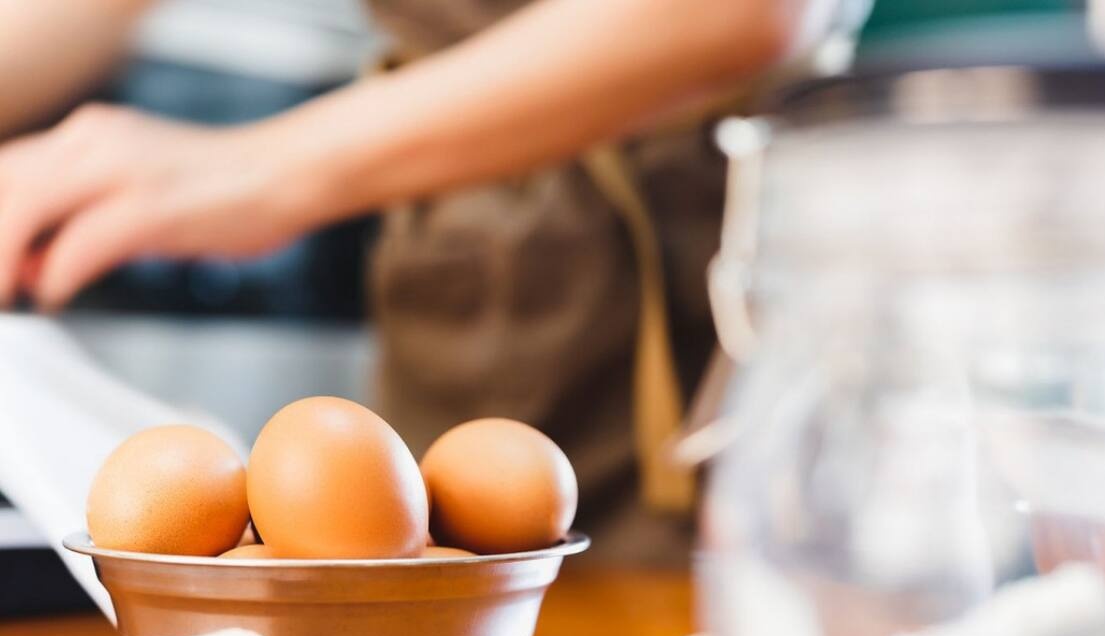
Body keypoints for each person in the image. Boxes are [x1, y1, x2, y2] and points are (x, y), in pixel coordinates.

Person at [0, 0, 807, 563]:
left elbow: (744, 10)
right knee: (430, 614)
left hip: (683, 272)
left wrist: (259, 168)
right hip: (466, 276)